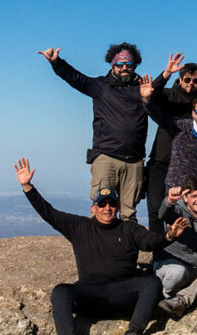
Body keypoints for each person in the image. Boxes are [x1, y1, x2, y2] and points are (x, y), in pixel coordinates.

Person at [12, 157, 186, 335]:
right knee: (60, 292)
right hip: (90, 296)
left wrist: (169, 235)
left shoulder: (129, 228)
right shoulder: (80, 227)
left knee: (151, 282)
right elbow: (49, 213)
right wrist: (27, 186)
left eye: (112, 204)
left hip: (122, 295)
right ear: (93, 208)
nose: (107, 208)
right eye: (102, 204)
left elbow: (152, 242)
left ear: (117, 207)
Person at [37, 43, 148, 221]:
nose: (124, 68)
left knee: (129, 214)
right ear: (112, 65)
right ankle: (97, 249)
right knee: (101, 209)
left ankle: (126, 250)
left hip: (134, 161)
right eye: (119, 64)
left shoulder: (143, 90)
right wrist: (57, 63)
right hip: (107, 157)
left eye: (129, 64)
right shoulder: (100, 86)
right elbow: (76, 78)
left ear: (135, 65)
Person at [145, 57, 197, 233]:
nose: (191, 84)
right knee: (155, 207)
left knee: (184, 209)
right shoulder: (168, 96)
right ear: (180, 79)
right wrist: (166, 74)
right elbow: (150, 94)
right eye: (187, 79)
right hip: (161, 159)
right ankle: (158, 250)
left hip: (187, 166)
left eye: (196, 80)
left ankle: (184, 248)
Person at [140, 77, 197, 210]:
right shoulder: (181, 126)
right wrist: (147, 100)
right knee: (172, 225)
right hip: (175, 190)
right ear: (193, 114)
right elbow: (157, 115)